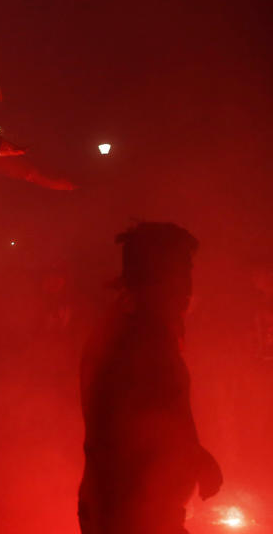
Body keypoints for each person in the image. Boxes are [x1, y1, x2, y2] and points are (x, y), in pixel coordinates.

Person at [78, 222, 223, 534]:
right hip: (132, 511)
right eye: (182, 270)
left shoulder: (139, 326)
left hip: (141, 508)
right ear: (154, 275)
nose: (188, 286)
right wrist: (194, 456)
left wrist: (195, 455)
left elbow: (164, 408)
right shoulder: (137, 336)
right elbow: (133, 422)